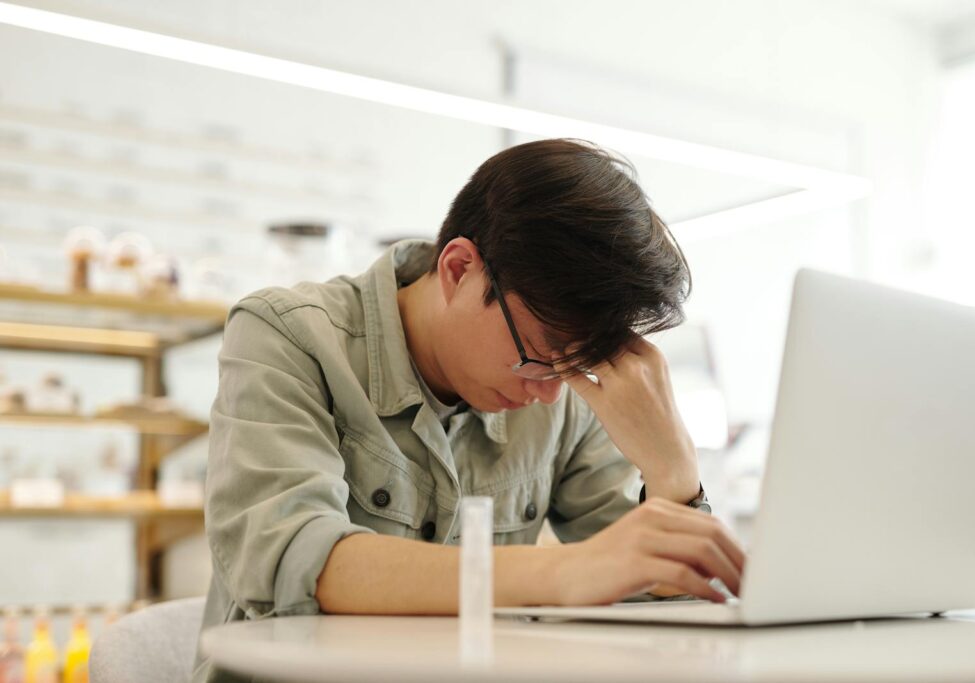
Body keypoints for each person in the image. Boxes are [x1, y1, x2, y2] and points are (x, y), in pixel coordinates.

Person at [192, 138, 745, 682]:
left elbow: (662, 586)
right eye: (539, 351)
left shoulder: (553, 388)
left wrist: (674, 473)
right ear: (459, 269)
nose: (550, 392)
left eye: (574, 365)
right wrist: (568, 572)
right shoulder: (287, 335)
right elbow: (295, 562)